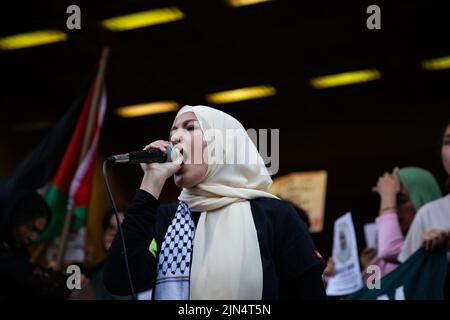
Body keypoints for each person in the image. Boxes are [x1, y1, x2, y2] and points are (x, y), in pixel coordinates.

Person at [103, 105, 326, 300]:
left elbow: (309, 292)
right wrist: (150, 183)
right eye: (173, 131)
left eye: (190, 128)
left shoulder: (274, 214)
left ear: (223, 145)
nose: (175, 138)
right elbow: (119, 280)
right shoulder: (166, 218)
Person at [360, 166, 442, 281]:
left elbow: (389, 250)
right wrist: (372, 266)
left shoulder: (435, 240)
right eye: (392, 202)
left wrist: (388, 199)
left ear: (423, 198)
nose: (394, 210)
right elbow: (375, 293)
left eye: (401, 201)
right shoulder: (391, 248)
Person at [398, 120, 450, 298]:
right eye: (448, 142)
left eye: (401, 200)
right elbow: (379, 288)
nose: (395, 211)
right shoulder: (429, 214)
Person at [0, 189, 71, 299]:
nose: (34, 237)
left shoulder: (18, 253)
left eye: (38, 232)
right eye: (31, 228)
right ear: (16, 219)